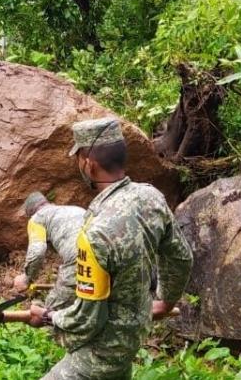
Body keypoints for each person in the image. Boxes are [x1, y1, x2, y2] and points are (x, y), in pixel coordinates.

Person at [28, 117, 194, 380]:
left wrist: (48, 317)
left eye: (78, 159)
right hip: (134, 335)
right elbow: (181, 257)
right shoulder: (151, 197)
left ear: (89, 164)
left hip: (102, 352)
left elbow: (87, 319)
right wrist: (165, 301)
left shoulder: (95, 234)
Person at [15, 192, 87, 313]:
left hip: (81, 257)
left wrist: (26, 278)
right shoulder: (75, 209)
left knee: (50, 310)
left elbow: (37, 252)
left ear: (31, 213)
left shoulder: (37, 218)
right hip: (108, 254)